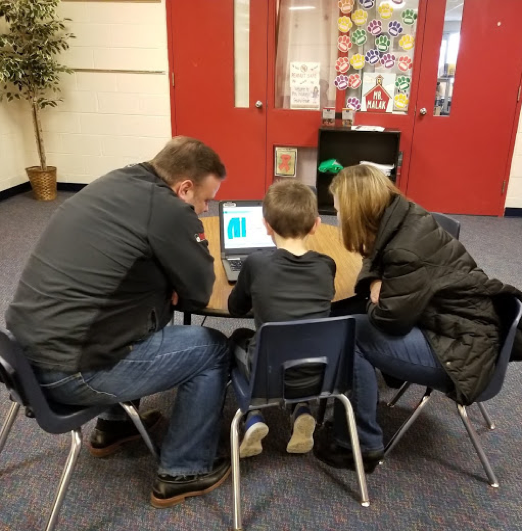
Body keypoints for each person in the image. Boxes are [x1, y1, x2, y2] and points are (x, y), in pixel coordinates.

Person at [6, 136, 233, 508]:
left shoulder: (114, 181)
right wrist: (174, 280)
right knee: (211, 348)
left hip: (24, 354)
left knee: (144, 311)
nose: (205, 208)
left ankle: (114, 425)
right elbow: (199, 289)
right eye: (204, 199)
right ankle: (183, 470)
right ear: (184, 187)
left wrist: (159, 286)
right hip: (72, 370)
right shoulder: (169, 210)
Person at [313, 164, 522, 472]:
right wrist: (374, 284)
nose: (338, 213)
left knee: (351, 332)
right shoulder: (402, 216)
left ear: (358, 209)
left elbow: (390, 320)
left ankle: (359, 444)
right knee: (344, 313)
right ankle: (362, 387)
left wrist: (374, 292)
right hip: (454, 325)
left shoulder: (406, 250)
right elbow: (380, 262)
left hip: (459, 351)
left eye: (340, 207)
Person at [228, 180, 336, 458]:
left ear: (266, 225)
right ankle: (301, 409)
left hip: (267, 371)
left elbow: (235, 308)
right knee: (298, 342)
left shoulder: (256, 263)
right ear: (315, 225)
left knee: (237, 339)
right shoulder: (327, 266)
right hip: (319, 369)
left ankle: (253, 416)